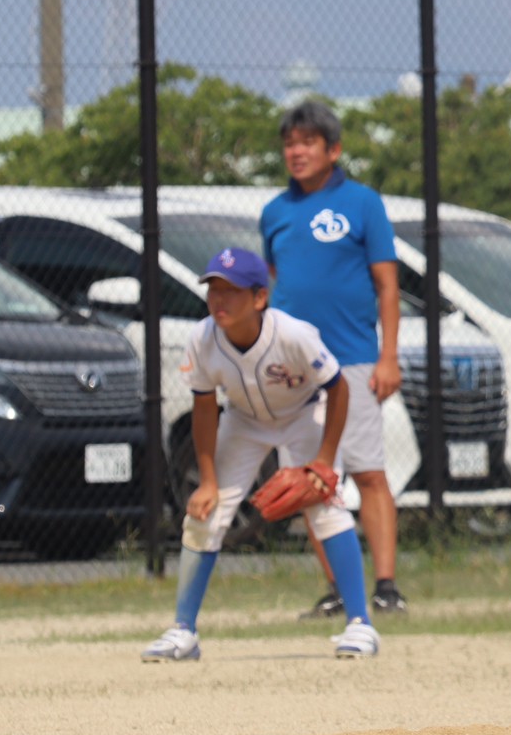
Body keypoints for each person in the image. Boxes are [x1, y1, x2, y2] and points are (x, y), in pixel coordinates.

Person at [141, 247, 379, 662]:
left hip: (305, 415)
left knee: (326, 505)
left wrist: (324, 461)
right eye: (213, 289)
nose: (219, 299)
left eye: (231, 291)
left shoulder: (292, 335)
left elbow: (338, 388)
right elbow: (204, 408)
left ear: (259, 298)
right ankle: (183, 632)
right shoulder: (202, 339)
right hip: (244, 421)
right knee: (205, 515)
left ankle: (361, 624)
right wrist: (208, 481)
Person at [261, 100, 408, 617]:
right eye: (289, 144)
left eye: (307, 142)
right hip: (294, 369)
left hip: (353, 358)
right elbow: (275, 285)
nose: (296, 152)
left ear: (333, 150)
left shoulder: (362, 203)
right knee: (308, 477)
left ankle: (386, 586)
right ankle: (339, 589)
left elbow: (387, 285)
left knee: (367, 472)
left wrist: (388, 357)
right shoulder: (275, 211)